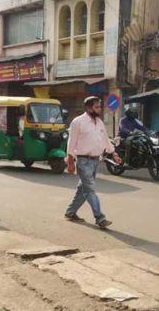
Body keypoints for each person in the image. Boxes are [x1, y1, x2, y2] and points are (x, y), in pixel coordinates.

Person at [65, 96, 121, 229]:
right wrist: (70, 161)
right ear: (88, 108)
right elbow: (71, 142)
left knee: (82, 189)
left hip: (96, 161)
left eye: (100, 106)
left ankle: (70, 212)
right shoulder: (78, 122)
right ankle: (100, 218)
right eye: (96, 107)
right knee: (90, 190)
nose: (99, 109)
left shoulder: (99, 122)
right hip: (83, 161)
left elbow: (105, 139)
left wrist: (113, 153)